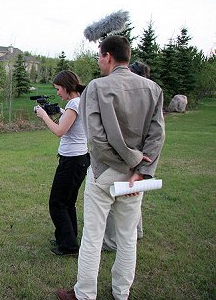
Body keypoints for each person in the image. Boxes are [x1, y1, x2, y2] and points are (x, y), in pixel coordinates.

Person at [56, 36, 165, 300]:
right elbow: (157, 135)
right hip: (135, 176)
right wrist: (139, 168)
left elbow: (95, 139)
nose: (98, 61)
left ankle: (85, 294)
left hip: (105, 173)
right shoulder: (153, 89)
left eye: (99, 56)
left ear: (108, 56)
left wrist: (132, 163)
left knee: (93, 237)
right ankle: (121, 293)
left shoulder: (96, 87)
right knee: (127, 237)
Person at [35, 70, 90, 256]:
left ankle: (68, 246)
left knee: (57, 203)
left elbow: (60, 131)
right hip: (79, 159)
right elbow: (71, 120)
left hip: (72, 161)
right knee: (68, 203)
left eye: (58, 89)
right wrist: (59, 111)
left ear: (66, 87)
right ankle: (68, 239)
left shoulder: (74, 104)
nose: (58, 92)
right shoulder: (79, 101)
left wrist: (44, 115)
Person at [102, 61, 151, 251]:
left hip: (129, 158)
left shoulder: (135, 95)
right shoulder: (149, 93)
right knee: (135, 197)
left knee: (118, 201)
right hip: (141, 157)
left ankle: (111, 241)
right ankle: (136, 231)